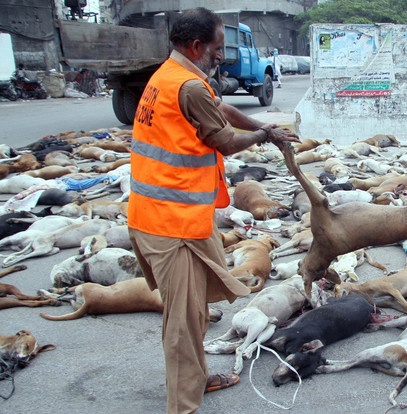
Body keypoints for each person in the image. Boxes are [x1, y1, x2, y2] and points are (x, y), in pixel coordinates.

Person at [127, 8, 300, 414]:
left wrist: (267, 129)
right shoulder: (187, 86)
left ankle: (198, 377)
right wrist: (262, 135)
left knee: (198, 308)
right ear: (197, 46)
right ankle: (183, 406)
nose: (222, 55)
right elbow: (223, 140)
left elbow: (220, 111)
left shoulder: (173, 75)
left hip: (179, 216)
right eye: (218, 48)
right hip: (170, 224)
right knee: (183, 324)